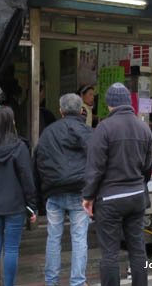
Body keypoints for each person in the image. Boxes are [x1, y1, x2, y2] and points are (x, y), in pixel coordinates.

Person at [82, 83, 152, 286]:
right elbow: (148, 166)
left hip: (110, 198)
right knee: (138, 249)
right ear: (128, 103)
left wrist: (88, 196)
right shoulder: (144, 128)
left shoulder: (104, 128)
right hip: (137, 195)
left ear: (110, 104)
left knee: (110, 253)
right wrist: (139, 184)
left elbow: (95, 168)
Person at [35, 93, 93, 286]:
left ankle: (51, 281)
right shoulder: (85, 130)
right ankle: (77, 282)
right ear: (80, 110)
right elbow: (97, 158)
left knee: (54, 237)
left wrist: (39, 194)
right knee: (79, 238)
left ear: (60, 110)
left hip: (53, 192)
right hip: (79, 192)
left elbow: (38, 160)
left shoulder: (48, 132)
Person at [0, 106, 37, 286]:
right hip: (14, 205)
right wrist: (32, 205)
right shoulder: (19, 147)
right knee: (11, 249)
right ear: (10, 123)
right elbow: (27, 178)